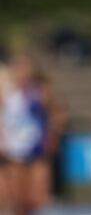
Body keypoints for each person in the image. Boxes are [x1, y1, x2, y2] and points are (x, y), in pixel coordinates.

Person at [1, 54, 67, 215]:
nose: (22, 73)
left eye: (26, 69)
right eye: (19, 69)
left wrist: (54, 134)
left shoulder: (41, 91)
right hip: (13, 150)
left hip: (37, 149)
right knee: (16, 198)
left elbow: (58, 114)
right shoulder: (6, 93)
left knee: (37, 198)